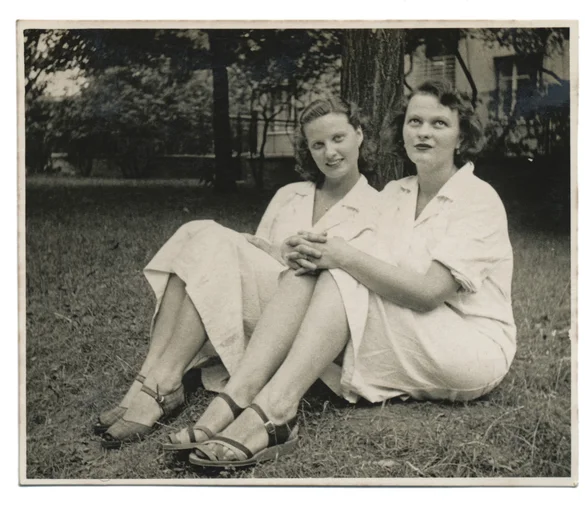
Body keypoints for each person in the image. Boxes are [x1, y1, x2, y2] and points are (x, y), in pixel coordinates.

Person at [188, 80, 516, 468]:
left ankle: (275, 409)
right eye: (415, 122)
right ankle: (238, 395)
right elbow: (355, 257)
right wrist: (294, 252)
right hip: (409, 320)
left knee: (342, 269)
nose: (424, 132)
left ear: (461, 137)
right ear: (403, 131)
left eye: (439, 124)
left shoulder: (477, 198)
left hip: (467, 342)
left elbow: (429, 291)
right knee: (311, 271)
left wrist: (342, 256)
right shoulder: (397, 193)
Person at [97, 97, 382, 449]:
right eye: (318, 144)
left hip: (309, 326)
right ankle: (152, 376)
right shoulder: (290, 194)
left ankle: (162, 383)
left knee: (211, 239)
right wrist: (275, 251)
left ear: (359, 135)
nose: (330, 153)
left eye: (339, 139)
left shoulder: (379, 207)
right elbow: (256, 251)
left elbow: (353, 284)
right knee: (198, 233)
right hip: (261, 310)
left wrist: (295, 256)